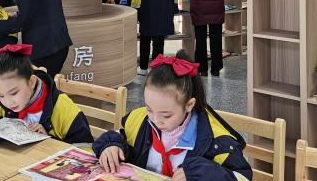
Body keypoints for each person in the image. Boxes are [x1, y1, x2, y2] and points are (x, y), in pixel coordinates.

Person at [93, 51, 251, 181]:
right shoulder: (141, 120)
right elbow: (121, 137)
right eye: (149, 109)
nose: (155, 120)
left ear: (189, 105)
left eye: (166, 115)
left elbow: (243, 177)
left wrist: (203, 174)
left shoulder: (216, 141)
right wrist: (111, 146)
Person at [0, 44, 93, 145]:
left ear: (31, 82)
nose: (8, 102)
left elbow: (86, 150)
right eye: (1, 95)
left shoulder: (63, 109)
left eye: (14, 93)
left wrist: (51, 140)